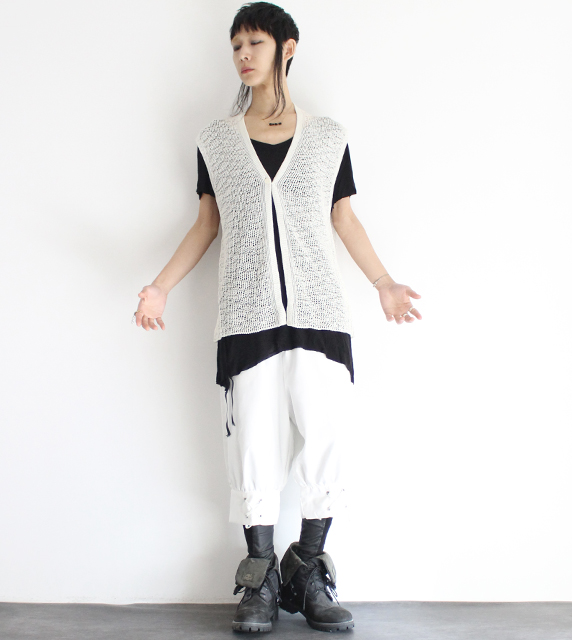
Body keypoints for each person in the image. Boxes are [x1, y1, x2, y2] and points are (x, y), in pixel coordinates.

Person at [133, 1, 422, 633]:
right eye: (236, 45)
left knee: (326, 440)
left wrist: (383, 283)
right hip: (247, 316)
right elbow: (206, 223)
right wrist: (159, 287)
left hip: (321, 314)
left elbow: (343, 216)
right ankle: (259, 578)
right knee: (255, 449)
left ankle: (308, 569)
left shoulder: (328, 137)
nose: (243, 55)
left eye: (255, 42)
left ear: (287, 47)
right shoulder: (215, 140)